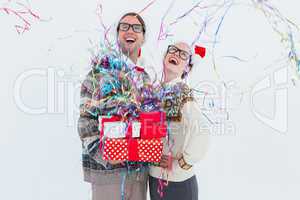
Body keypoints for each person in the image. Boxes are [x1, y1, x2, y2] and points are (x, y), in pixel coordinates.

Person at [78, 12, 150, 200]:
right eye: (124, 26)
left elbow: (150, 123)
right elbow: (85, 120)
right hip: (107, 174)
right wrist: (104, 155)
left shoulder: (145, 78)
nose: (130, 31)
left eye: (136, 28)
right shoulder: (99, 74)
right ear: (117, 34)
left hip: (138, 173)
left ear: (143, 38)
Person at [149, 42, 210, 200]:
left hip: (177, 184)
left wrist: (185, 161)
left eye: (183, 54)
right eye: (173, 50)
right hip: (155, 178)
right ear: (165, 56)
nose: (176, 54)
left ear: (187, 68)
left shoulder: (182, 93)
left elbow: (202, 130)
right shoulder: (155, 92)